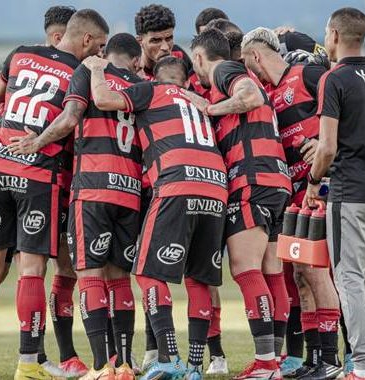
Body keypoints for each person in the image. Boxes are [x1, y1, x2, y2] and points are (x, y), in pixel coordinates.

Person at [0, 9, 109, 380]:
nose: (99, 54)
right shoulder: (79, 72)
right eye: (98, 47)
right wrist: (37, 140)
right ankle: (29, 363)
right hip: (38, 174)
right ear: (85, 40)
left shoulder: (20, 53)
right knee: (32, 270)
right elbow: (68, 120)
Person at [7, 32, 145, 380]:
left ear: (107, 53)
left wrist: (36, 141)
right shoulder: (145, 85)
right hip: (129, 191)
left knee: (87, 275)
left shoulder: (88, 71)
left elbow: (70, 117)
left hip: (93, 187)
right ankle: (124, 363)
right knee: (119, 279)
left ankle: (100, 367)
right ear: (136, 60)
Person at [86, 55, 228, 380]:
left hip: (177, 181)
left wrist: (96, 70)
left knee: (147, 272)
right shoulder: (200, 101)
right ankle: (194, 367)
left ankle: (169, 357)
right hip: (216, 186)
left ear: (157, 76)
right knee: (199, 278)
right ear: (187, 78)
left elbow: (104, 99)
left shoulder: (152, 91)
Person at [185, 28, 292, 380]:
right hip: (276, 181)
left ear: (199, 57)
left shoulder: (224, 72)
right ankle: (273, 361)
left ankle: (265, 364)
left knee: (245, 269)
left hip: (252, 180)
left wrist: (211, 107)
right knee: (270, 271)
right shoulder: (232, 74)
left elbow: (249, 98)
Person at [240, 27, 343, 380]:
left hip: (323, 190)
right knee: (300, 276)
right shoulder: (264, 97)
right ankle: (315, 358)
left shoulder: (307, 74)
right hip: (295, 197)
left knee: (317, 273)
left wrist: (331, 146)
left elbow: (348, 108)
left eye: (245, 63)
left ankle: (331, 358)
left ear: (255, 57)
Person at [303, 7, 365, 380]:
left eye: (327, 34)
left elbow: (327, 147)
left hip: (351, 190)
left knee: (349, 279)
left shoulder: (333, 78)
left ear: (335, 35)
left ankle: (359, 366)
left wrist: (314, 181)